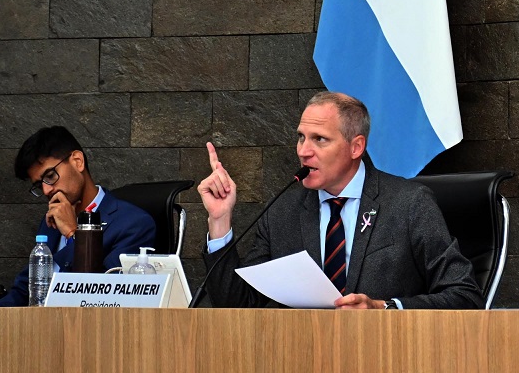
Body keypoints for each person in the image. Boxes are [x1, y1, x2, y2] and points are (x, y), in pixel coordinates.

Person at [199, 91, 483, 309]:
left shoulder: (408, 204)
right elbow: (238, 307)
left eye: (320, 139)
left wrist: (384, 308)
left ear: (355, 146)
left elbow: (464, 295)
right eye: (301, 138)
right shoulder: (283, 211)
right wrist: (220, 220)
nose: (304, 151)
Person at [0, 127, 155, 307]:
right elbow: (25, 290)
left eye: (50, 176)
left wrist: (73, 234)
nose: (47, 190)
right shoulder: (50, 223)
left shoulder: (133, 224)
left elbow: (105, 296)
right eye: (39, 185)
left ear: (77, 161)